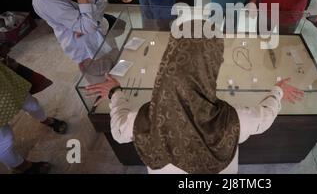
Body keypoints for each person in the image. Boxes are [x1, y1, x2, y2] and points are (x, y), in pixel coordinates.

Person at [85, 20, 304, 174]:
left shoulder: (147, 116)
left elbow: (119, 130)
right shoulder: (233, 119)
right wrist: (277, 91)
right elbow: (263, 118)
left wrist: (115, 93)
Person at [1, 50, 67, 174]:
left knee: (32, 104)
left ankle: (46, 120)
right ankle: (22, 166)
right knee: (4, 140)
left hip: (4, 85)